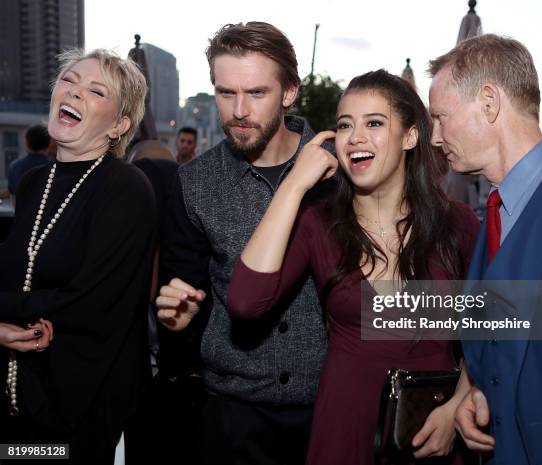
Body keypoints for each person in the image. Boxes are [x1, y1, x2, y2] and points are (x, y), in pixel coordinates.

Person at [227, 69, 480, 465]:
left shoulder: (459, 224)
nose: (356, 137)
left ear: (410, 136)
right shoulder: (320, 223)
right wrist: (294, 185)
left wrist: (462, 399)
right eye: (345, 125)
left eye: (374, 123)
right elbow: (244, 301)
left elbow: (503, 325)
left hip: (435, 427)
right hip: (345, 428)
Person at [428, 34, 542, 465]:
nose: (436, 137)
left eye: (441, 118)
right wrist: (475, 392)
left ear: (489, 102)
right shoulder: (488, 213)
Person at [155, 22, 328, 465]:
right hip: (231, 412)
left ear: (289, 92)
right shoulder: (194, 182)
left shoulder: (340, 173)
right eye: (225, 92)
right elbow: (185, 294)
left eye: (256, 93)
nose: (238, 110)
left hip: (330, 406)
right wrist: (181, 319)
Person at [0, 48, 156, 465]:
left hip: (75, 408)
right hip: (16, 400)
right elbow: (20, 270)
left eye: (96, 90)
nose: (74, 93)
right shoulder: (33, 182)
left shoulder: (126, 188)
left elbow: (89, 303)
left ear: (120, 124)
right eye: (69, 81)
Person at [8, 124, 52, 206]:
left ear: (27, 143)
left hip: (23, 216)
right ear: (49, 143)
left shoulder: (14, 167)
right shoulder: (56, 168)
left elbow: (14, 201)